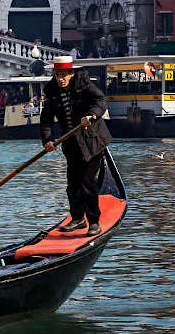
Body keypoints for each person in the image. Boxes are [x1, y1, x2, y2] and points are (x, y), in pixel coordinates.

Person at [40, 56, 112, 237]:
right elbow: (46, 119)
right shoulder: (52, 91)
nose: (60, 79)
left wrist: (91, 115)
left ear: (71, 74)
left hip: (92, 140)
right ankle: (78, 218)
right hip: (71, 143)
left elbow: (101, 101)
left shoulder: (84, 84)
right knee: (72, 185)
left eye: (63, 75)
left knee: (87, 182)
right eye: (57, 75)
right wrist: (48, 140)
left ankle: (94, 222)